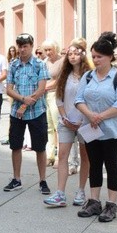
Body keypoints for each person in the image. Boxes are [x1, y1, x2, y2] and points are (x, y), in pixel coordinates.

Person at [74, 32, 117, 222]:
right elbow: (79, 99)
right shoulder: (88, 76)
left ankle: (111, 205)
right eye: (94, 56)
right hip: (91, 129)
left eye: (99, 56)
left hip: (112, 130)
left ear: (110, 57)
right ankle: (94, 201)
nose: (96, 60)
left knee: (112, 165)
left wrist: (99, 116)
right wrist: (90, 115)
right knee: (94, 164)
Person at [44, 41, 92, 207]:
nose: (72, 56)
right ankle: (60, 193)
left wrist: (82, 119)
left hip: (84, 122)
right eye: (70, 54)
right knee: (63, 156)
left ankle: (81, 191)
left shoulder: (89, 75)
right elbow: (59, 98)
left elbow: (91, 99)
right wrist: (64, 117)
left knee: (86, 157)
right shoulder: (64, 75)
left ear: (83, 55)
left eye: (76, 53)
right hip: (66, 121)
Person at [4, 33, 50, 194]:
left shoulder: (39, 64)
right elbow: (9, 89)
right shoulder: (14, 64)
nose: (22, 49)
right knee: (15, 145)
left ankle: (43, 180)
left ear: (31, 46)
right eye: (20, 46)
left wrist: (33, 99)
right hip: (18, 112)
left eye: (25, 46)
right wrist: (23, 99)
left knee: (40, 147)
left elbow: (42, 87)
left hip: (37, 111)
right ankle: (16, 179)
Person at [41, 40, 64, 166]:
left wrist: (41, 88)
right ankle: (50, 155)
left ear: (56, 48)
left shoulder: (62, 61)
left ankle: (60, 156)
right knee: (48, 126)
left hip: (56, 94)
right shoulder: (44, 62)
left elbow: (58, 80)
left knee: (58, 126)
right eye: (46, 50)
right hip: (45, 96)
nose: (48, 52)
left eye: (50, 49)